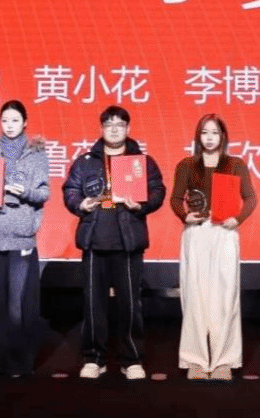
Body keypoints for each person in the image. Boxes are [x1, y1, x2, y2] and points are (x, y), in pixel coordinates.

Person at [62, 105, 166, 380]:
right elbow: (70, 189)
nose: (114, 129)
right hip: (94, 240)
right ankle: (94, 358)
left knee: (130, 304)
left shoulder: (142, 162)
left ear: (128, 129)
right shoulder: (86, 162)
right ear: (101, 129)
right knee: (93, 304)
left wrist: (141, 204)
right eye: (109, 125)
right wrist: (80, 203)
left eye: (120, 124)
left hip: (128, 240)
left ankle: (131, 359)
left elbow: (158, 189)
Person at [169, 114, 258, 381]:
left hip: (224, 232)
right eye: (205, 133)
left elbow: (250, 198)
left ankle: (224, 360)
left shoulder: (235, 164)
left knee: (225, 296)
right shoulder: (187, 165)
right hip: (196, 232)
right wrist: (184, 216)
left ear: (223, 136)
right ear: (198, 136)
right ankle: (195, 360)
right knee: (194, 296)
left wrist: (237, 219)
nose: (209, 138)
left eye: (215, 133)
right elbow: (175, 198)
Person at [0, 99, 50, 378]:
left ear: (25, 122)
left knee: (17, 305)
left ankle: (19, 362)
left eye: (15, 120)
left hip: (20, 235)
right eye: (5, 120)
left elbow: (44, 193)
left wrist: (23, 190)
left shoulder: (37, 155)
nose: (10, 126)